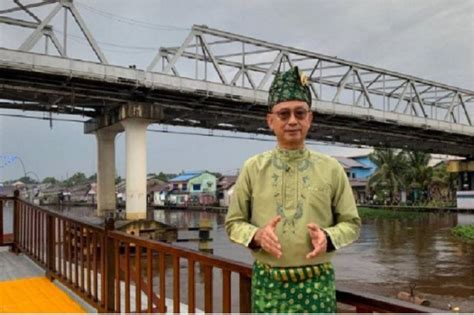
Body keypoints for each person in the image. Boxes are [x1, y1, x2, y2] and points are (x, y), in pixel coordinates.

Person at [225, 66, 361, 313]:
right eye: (284, 113)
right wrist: (256, 236)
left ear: (310, 119)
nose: (292, 121)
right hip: (268, 283)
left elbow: (352, 224)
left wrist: (328, 238)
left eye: (300, 113)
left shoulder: (331, 168)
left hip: (317, 282)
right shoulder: (253, 168)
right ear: (270, 121)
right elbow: (233, 223)